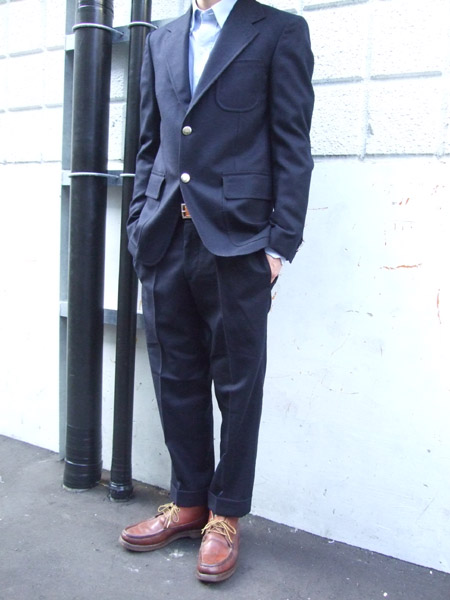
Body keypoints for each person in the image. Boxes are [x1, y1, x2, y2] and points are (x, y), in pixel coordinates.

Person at [119, 0, 314, 583]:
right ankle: (188, 502)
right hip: (163, 236)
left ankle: (225, 515)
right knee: (174, 375)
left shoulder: (279, 31)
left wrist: (278, 247)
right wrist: (138, 222)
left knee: (238, 384)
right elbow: (150, 142)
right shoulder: (161, 39)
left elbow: (292, 144)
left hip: (238, 243)